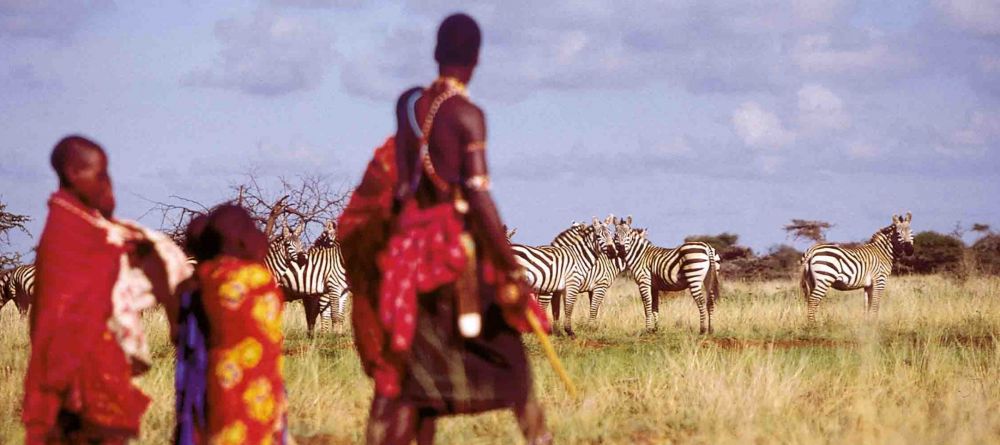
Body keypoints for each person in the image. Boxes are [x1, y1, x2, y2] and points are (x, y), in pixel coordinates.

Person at [339, 13, 552, 445]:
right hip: (457, 262)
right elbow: (477, 196)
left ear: (437, 54)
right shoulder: (466, 115)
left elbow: (403, 188)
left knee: (409, 385)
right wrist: (510, 267)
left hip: (408, 265)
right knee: (513, 368)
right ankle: (540, 439)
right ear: (476, 59)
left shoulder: (412, 109)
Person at [23, 135, 190, 444]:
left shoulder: (88, 226)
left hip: (98, 364)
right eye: (100, 174)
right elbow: (58, 315)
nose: (107, 182)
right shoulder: (65, 232)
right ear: (74, 173)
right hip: (76, 374)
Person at [174, 205, 288, 445]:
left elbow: (185, 337)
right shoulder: (263, 281)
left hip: (220, 383)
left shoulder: (207, 279)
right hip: (266, 387)